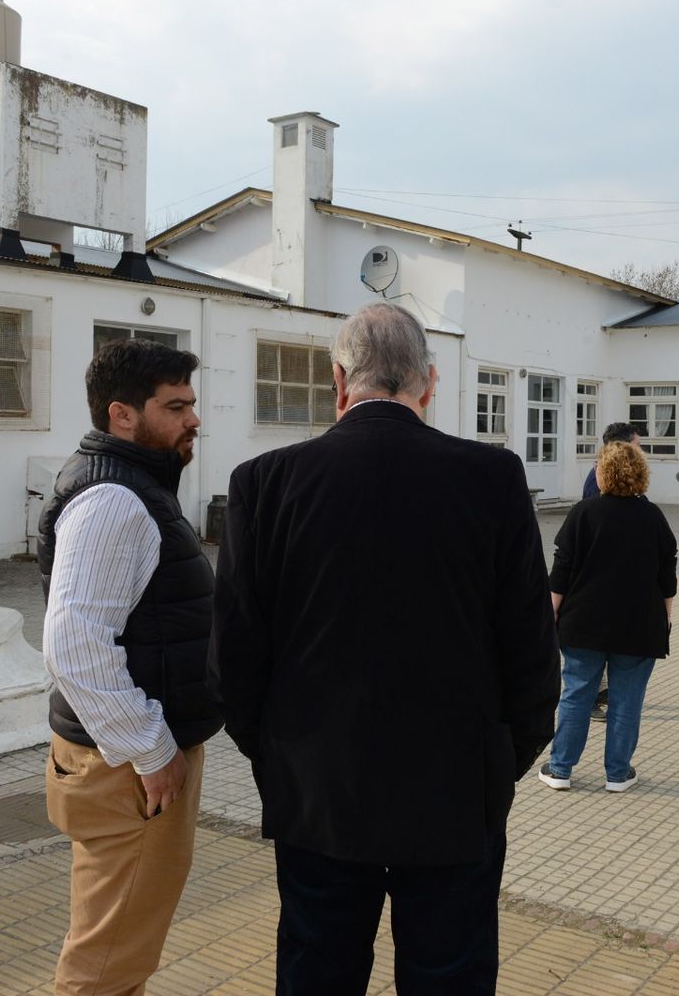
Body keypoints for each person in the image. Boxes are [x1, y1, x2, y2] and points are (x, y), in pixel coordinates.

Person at [209, 302, 559, 995]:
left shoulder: (265, 484)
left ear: (338, 380)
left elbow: (235, 662)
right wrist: (498, 763)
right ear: (429, 383)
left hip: (319, 796)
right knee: (449, 979)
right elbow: (533, 656)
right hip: (456, 795)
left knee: (318, 975)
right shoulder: (492, 480)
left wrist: (283, 759)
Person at [38, 339, 221, 994]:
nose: (193, 419)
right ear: (122, 414)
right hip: (129, 773)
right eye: (175, 406)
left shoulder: (132, 484)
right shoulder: (115, 498)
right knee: (105, 963)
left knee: (120, 953)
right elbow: (74, 642)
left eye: (192, 404)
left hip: (122, 764)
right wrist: (150, 746)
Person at [539, 441, 677, 793]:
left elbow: (562, 572)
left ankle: (560, 769)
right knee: (627, 700)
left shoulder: (583, 513)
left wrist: (550, 614)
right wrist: (666, 619)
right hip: (639, 625)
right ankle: (617, 773)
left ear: (604, 472)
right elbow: (667, 578)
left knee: (576, 695)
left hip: (583, 623)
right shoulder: (653, 517)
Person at [581, 421, 642, 721]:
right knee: (596, 645)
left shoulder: (614, 477)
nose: (642, 451)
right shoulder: (599, 480)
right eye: (638, 445)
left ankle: (601, 691)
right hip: (599, 578)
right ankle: (591, 698)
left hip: (612, 577)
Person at [582, 422, 642, 499]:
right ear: (622, 447)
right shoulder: (599, 481)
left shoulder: (618, 474)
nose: (640, 450)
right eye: (637, 445)